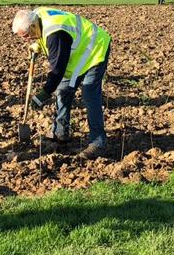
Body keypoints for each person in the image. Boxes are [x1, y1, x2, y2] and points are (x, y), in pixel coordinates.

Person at [12, 8, 111, 159]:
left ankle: (98, 143)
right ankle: (61, 133)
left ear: (33, 26)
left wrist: (43, 95)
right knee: (64, 91)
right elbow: (45, 38)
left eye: (27, 36)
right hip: (76, 57)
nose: (26, 40)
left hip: (94, 50)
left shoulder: (55, 35)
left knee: (89, 94)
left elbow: (57, 71)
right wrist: (38, 44)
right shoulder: (37, 15)